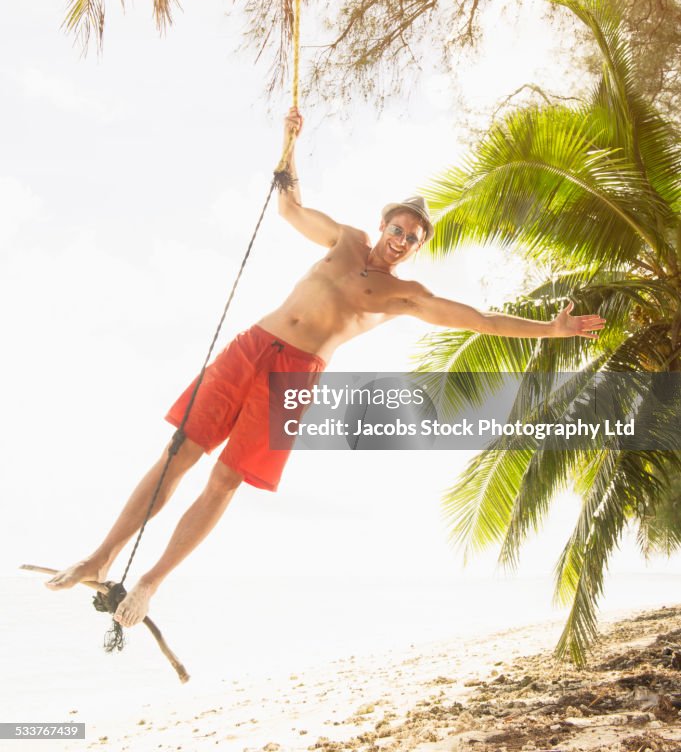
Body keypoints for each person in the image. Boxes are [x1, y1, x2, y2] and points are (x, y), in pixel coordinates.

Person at [46, 108, 606, 626]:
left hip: (296, 373)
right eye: (399, 228)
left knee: (224, 481)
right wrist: (289, 143)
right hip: (250, 346)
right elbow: (289, 205)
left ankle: (149, 582)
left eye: (413, 238)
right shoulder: (345, 239)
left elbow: (479, 319)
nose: (402, 240)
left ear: (414, 248)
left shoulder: (401, 293)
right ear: (383, 224)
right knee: (179, 453)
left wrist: (550, 330)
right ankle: (100, 556)